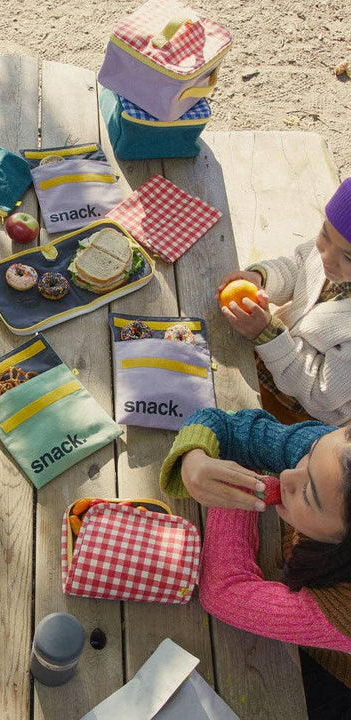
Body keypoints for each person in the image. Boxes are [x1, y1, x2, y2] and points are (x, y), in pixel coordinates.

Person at [159, 407, 351, 718]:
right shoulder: (337, 462)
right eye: (311, 452)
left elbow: (224, 591)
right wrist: (194, 457)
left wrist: (241, 490)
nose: (287, 475)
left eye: (308, 494)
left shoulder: (342, 614)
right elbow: (232, 427)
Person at [217, 179, 351, 426]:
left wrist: (267, 333)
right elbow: (297, 268)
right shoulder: (331, 252)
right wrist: (260, 278)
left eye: (348, 257)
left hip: (296, 412)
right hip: (269, 355)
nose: (327, 257)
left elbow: (321, 394)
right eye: (324, 233)